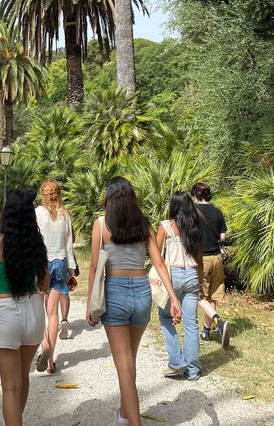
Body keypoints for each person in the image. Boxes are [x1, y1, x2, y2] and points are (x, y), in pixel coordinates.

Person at [87, 177, 181, 426]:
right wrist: (174, 298)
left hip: (115, 291)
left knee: (124, 365)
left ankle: (132, 421)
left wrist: (90, 303)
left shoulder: (100, 224)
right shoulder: (144, 224)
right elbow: (158, 263)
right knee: (130, 359)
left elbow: (95, 266)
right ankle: (124, 414)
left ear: (109, 197)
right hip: (141, 292)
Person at [0, 189, 48, 426]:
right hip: (33, 310)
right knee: (22, 377)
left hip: (4, 311)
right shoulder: (36, 243)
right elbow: (45, 284)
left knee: (10, 387)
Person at [157, 192, 204, 381]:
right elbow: (199, 258)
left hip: (172, 275)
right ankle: (193, 370)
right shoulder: (196, 227)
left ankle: (177, 361)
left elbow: (156, 255)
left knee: (165, 316)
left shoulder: (165, 226)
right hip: (192, 274)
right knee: (191, 323)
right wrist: (199, 280)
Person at [34, 180, 76, 373]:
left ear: (43, 194)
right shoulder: (65, 215)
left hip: (41, 263)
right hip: (60, 262)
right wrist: (72, 268)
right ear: (59, 194)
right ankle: (50, 361)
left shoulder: (38, 213)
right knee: (53, 313)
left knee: (38, 311)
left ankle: (45, 345)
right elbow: (69, 244)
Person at [192, 182, 231, 348]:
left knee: (197, 295)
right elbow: (223, 237)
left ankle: (218, 321)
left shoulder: (192, 212)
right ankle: (206, 332)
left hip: (201, 259)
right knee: (213, 296)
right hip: (216, 258)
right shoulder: (217, 212)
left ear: (196, 195)